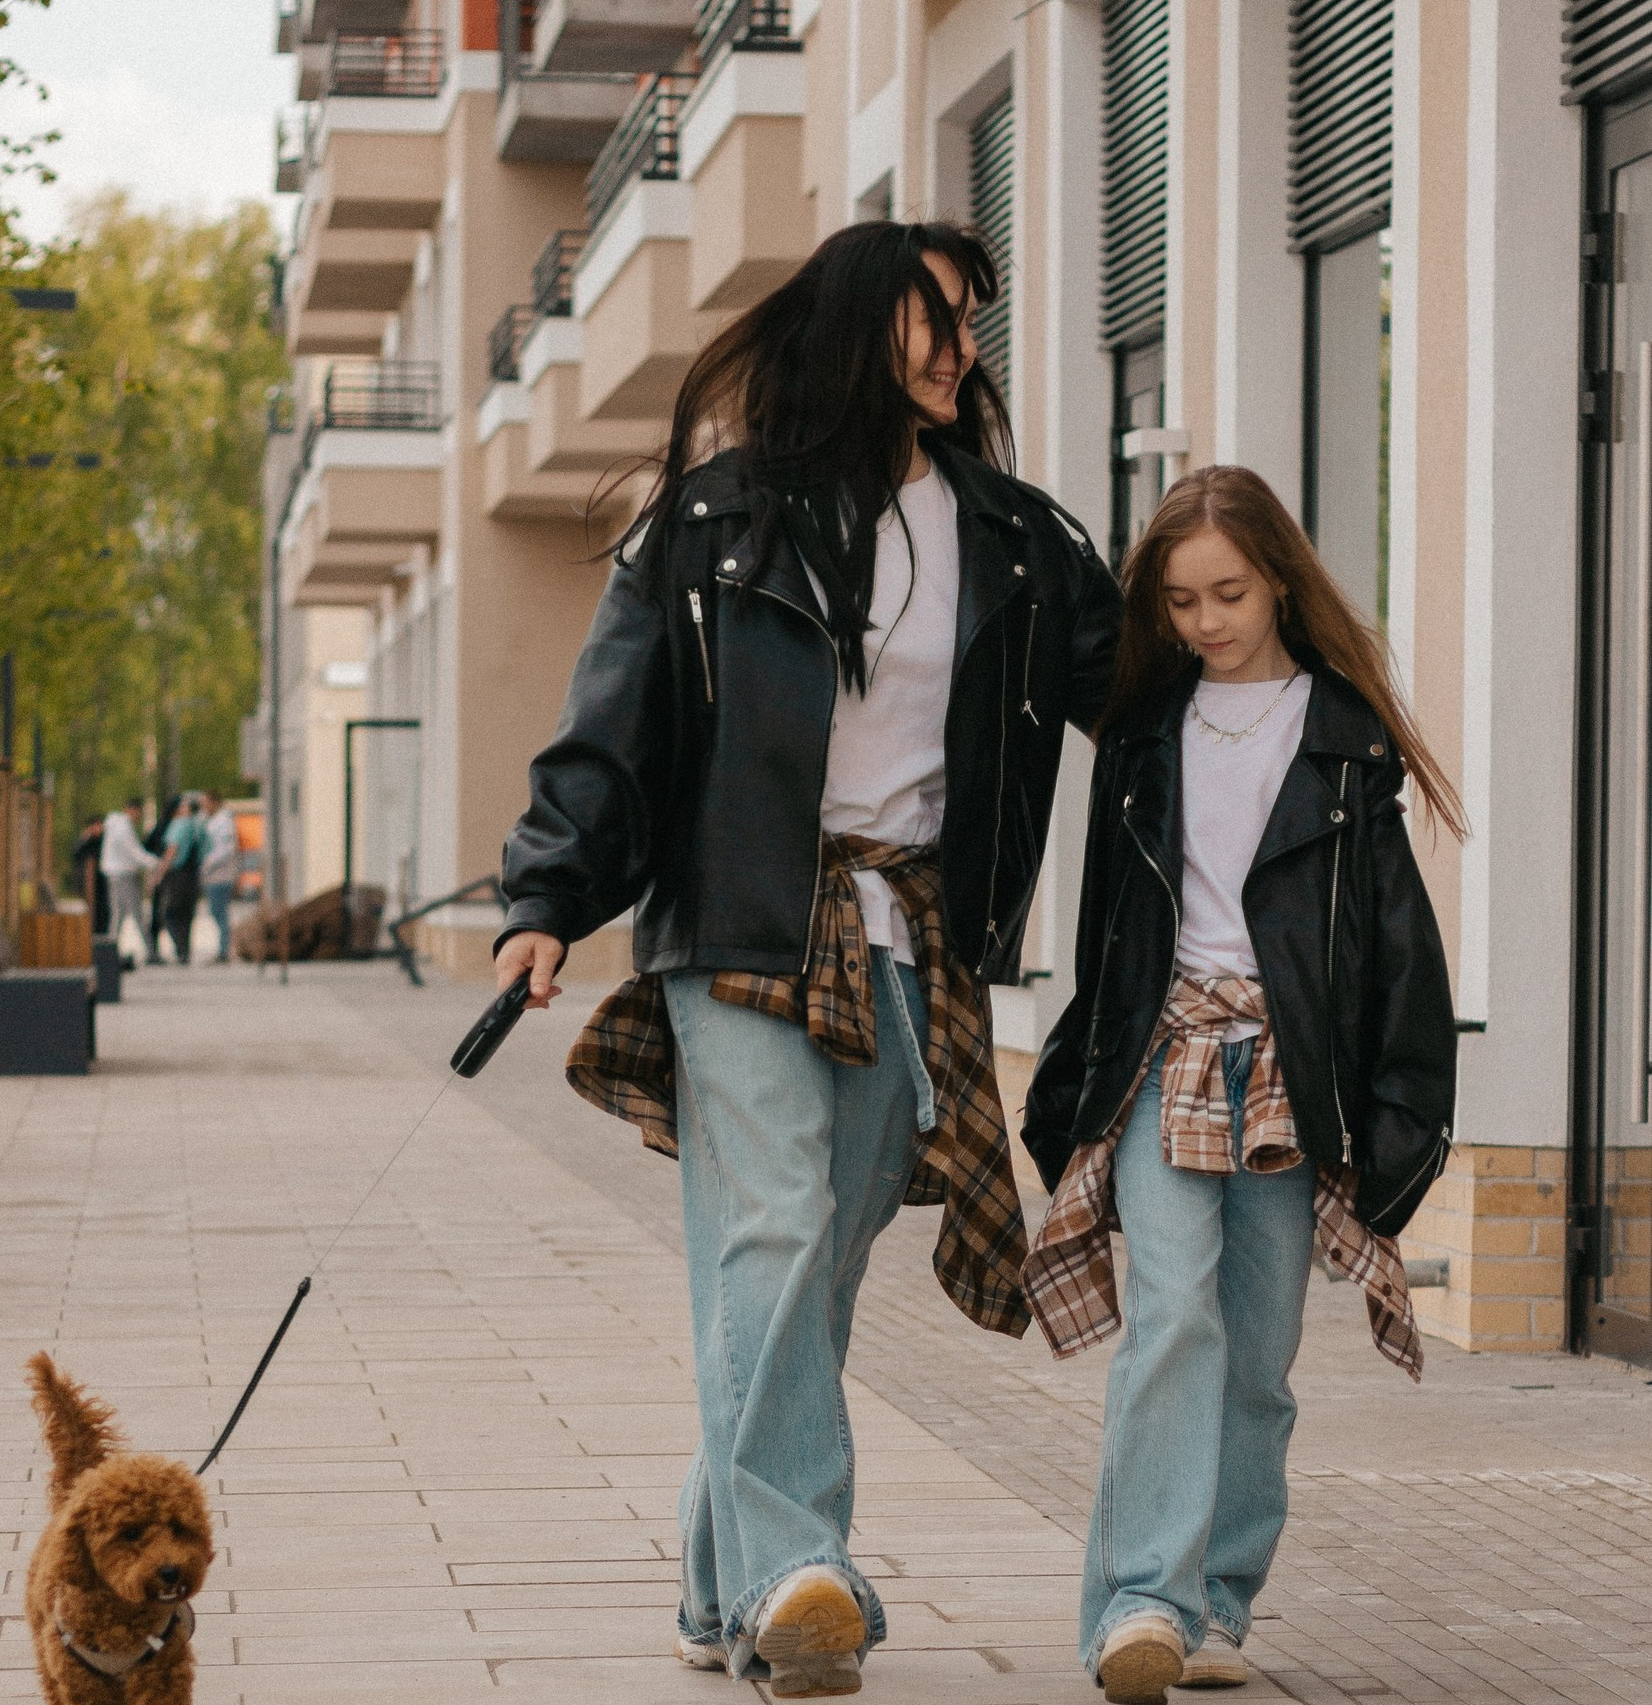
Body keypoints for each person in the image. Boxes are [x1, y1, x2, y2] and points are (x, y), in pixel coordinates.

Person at [493, 220, 1123, 1697]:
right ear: (857, 328)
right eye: (934, 318)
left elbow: (1139, 697)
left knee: (813, 1270)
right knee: (769, 1232)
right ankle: (801, 1567)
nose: (961, 346)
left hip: (913, 941)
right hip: (742, 925)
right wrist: (544, 894)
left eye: (972, 318)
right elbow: (615, 722)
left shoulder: (1015, 537)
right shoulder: (714, 521)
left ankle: (728, 1590)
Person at [1020, 466, 1462, 1705]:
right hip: (1165, 1055)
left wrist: (1400, 1114)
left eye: (1226, 591)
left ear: (1277, 577)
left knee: (1259, 1355)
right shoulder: (1143, 732)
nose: (1206, 619)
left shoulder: (1342, 734)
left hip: (1293, 1075)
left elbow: (1391, 938)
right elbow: (1114, 915)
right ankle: (1138, 1604)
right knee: (1174, 1316)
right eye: (1177, 600)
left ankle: (1215, 1599)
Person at [97, 800, 159, 962]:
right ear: (132, 810)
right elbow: (133, 851)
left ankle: (110, 953)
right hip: (124, 874)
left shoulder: (115, 825)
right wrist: (154, 863)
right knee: (135, 914)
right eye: (139, 812)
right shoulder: (123, 827)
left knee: (119, 915)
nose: (139, 816)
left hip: (115, 874)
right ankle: (150, 952)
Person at [158, 797, 206, 966]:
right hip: (193, 874)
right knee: (187, 915)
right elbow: (207, 849)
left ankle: (180, 948)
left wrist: (160, 873)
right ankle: (185, 950)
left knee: (170, 913)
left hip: (178, 874)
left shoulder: (179, 825)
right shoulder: (200, 826)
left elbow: (172, 849)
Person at [200, 791, 238, 963]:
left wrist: (207, 864)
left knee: (219, 913)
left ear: (214, 802)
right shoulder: (215, 821)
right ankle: (223, 949)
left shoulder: (224, 822)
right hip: (214, 875)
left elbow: (225, 850)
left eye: (205, 803)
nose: (203, 807)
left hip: (220, 875)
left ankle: (224, 951)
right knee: (217, 912)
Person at [145, 795, 180, 965]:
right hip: (163, 873)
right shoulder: (167, 826)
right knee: (162, 911)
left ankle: (155, 948)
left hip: (160, 872)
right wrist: (157, 867)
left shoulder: (163, 825)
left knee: (160, 911)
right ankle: (154, 949)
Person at [69, 816, 111, 936]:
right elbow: (75, 854)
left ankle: (102, 933)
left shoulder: (103, 841)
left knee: (103, 910)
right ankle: (93, 932)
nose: (99, 829)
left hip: (101, 881)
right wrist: (84, 838)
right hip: (88, 882)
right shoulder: (86, 841)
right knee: (92, 910)